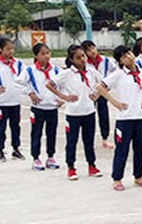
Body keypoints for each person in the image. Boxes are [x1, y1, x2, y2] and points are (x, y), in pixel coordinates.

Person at [98, 45, 142, 191]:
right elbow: (100, 86)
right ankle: (117, 178)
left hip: (140, 116)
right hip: (124, 118)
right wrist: (114, 101)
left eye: (129, 53)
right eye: (124, 56)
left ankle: (139, 176)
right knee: (122, 149)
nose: (129, 57)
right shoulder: (119, 75)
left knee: (139, 148)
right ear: (120, 61)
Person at [47, 44, 103, 180]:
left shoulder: (91, 72)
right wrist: (63, 97)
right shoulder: (66, 74)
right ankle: (71, 167)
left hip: (89, 111)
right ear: (72, 60)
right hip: (73, 113)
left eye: (83, 56)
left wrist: (97, 95)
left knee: (89, 141)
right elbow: (49, 84)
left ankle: (92, 165)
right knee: (71, 141)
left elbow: (103, 85)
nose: (82, 60)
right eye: (78, 58)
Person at [25, 43, 62, 171]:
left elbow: (65, 84)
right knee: (36, 133)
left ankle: (51, 156)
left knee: (52, 133)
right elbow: (18, 83)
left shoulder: (56, 70)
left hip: (52, 107)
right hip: (38, 107)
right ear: (36, 55)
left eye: (48, 53)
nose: (46, 56)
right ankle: (36, 158)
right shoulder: (30, 70)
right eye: (43, 54)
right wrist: (30, 93)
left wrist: (62, 98)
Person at [82, 40, 117, 150]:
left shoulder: (106, 61)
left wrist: (109, 86)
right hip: (90, 93)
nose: (92, 51)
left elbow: (116, 72)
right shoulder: (85, 63)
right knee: (88, 117)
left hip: (103, 92)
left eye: (93, 48)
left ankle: (105, 138)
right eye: (88, 50)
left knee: (103, 114)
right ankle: (88, 140)